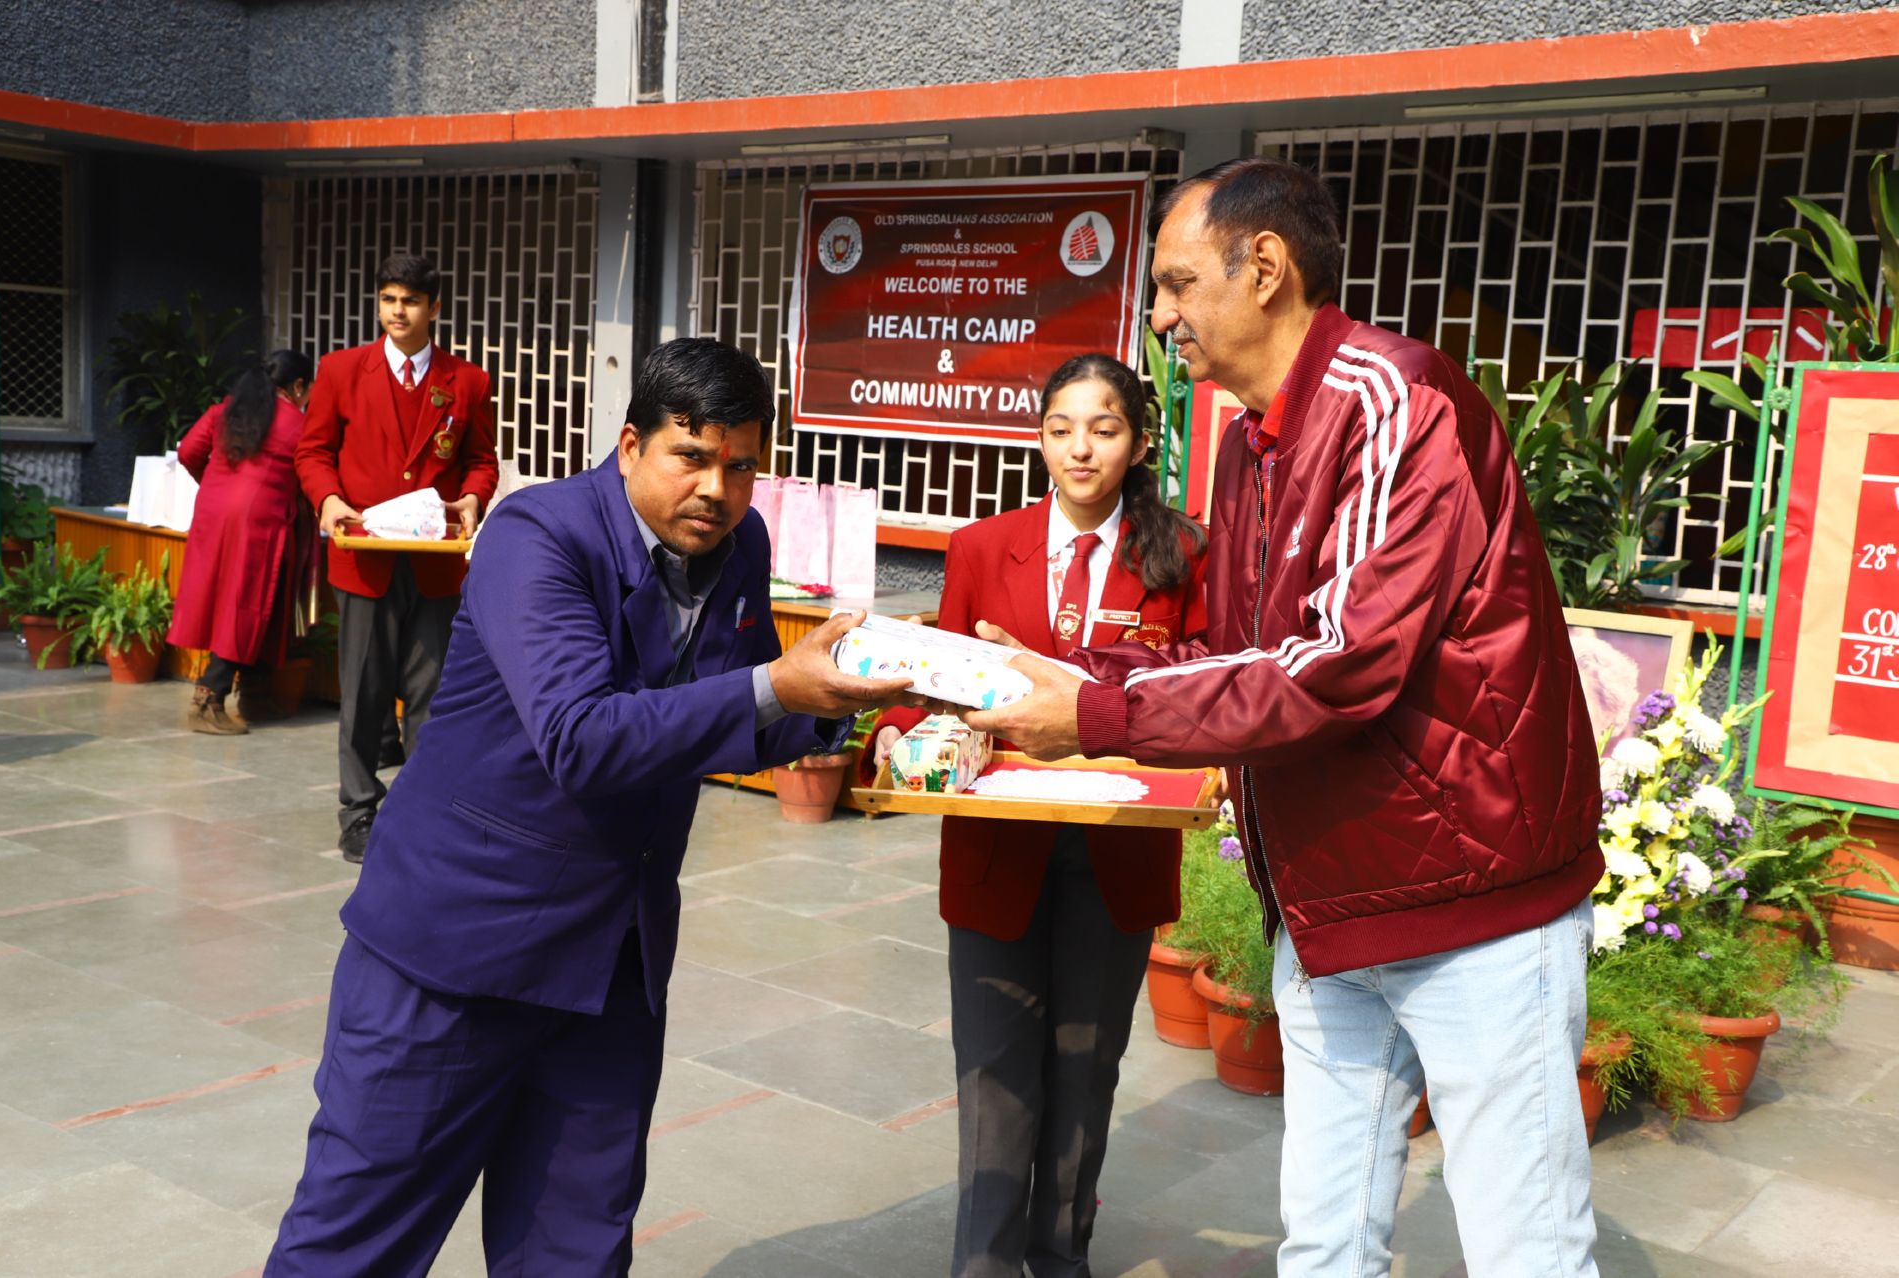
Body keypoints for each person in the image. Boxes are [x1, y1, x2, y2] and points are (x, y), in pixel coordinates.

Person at [967, 158, 1606, 1276]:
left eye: (1177, 283)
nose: (1159, 317)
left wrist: (1102, 713)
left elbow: (1340, 663)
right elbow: (1240, 649)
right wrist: (1062, 674)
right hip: (1325, 906)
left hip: (1469, 913)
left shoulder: (1394, 401)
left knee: (1528, 1251)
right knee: (1323, 1243)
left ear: (1263, 267)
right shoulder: (1249, 440)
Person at [263, 337, 918, 1277]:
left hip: (610, 962)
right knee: (355, 1243)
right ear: (630, 445)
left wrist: (859, 705)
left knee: (577, 1248)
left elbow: (731, 715)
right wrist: (779, 684)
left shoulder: (740, 547)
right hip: (456, 956)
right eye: (691, 457)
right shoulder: (539, 535)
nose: (716, 490)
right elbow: (581, 735)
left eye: (741, 467)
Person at [868, 354, 1207, 1278]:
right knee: (992, 1068)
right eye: (1061, 428)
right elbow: (936, 681)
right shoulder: (983, 547)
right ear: (1040, 439)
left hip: (1118, 850)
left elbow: (1202, 691)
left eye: (1104, 428)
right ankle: (981, 1263)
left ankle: (1061, 1256)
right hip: (996, 847)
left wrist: (1079, 686)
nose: (1080, 448)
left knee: (1086, 1067)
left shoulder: (1183, 553)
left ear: (1139, 440)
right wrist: (896, 736)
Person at [295, 252, 499, 863]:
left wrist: (473, 497)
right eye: (388, 299)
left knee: (433, 695)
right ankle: (358, 811)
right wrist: (328, 500)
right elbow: (313, 452)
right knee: (363, 692)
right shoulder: (340, 371)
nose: (397, 311)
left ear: (434, 308)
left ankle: (424, 810)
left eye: (410, 301)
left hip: (435, 563)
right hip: (364, 558)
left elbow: (481, 460)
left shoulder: (467, 381)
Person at [167, 350, 314, 735]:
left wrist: (216, 483)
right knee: (246, 605)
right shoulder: (297, 423)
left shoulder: (227, 410)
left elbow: (188, 451)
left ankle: (254, 692)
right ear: (298, 386)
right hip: (259, 520)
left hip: (213, 512)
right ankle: (208, 698)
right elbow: (312, 473)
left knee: (243, 601)